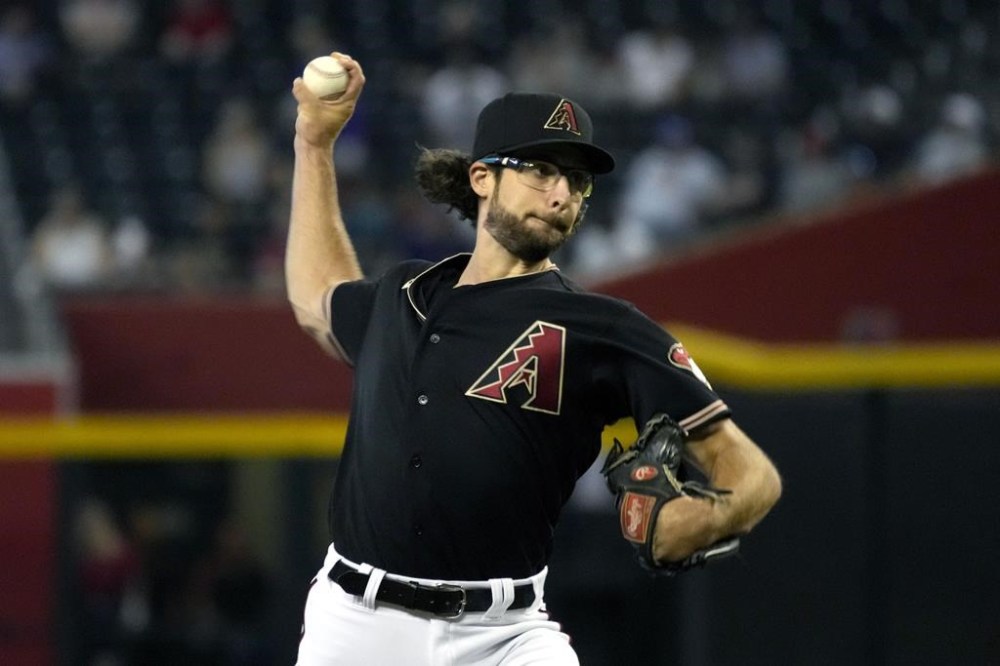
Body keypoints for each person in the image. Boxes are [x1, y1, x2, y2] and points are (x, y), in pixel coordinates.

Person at [286, 53, 782, 666]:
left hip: (503, 637)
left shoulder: (606, 329)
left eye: (578, 181)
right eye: (541, 169)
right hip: (355, 627)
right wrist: (314, 144)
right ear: (481, 178)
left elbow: (753, 473)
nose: (562, 193)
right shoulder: (403, 295)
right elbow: (315, 298)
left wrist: (709, 516)